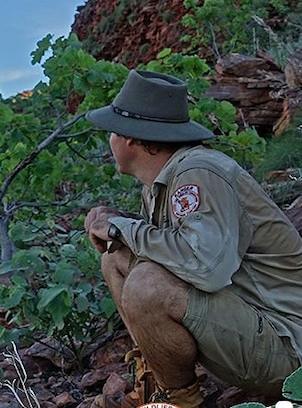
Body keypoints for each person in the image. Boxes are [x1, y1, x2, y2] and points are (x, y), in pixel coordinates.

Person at [84, 69, 302, 408]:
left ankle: (179, 401)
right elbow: (168, 249)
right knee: (115, 257)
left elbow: (206, 267)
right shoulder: (164, 181)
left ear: (131, 138)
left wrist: (121, 228)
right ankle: (156, 384)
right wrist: (116, 227)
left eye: (113, 130)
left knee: (148, 284)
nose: (109, 139)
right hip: (252, 327)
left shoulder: (198, 172)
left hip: (287, 348)